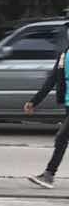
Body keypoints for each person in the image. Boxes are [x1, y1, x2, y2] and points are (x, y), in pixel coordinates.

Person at [25, 19, 69, 188]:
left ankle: (49, 175)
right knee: (62, 139)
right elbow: (52, 80)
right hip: (68, 103)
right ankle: (49, 175)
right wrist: (34, 101)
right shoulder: (64, 55)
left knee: (61, 138)